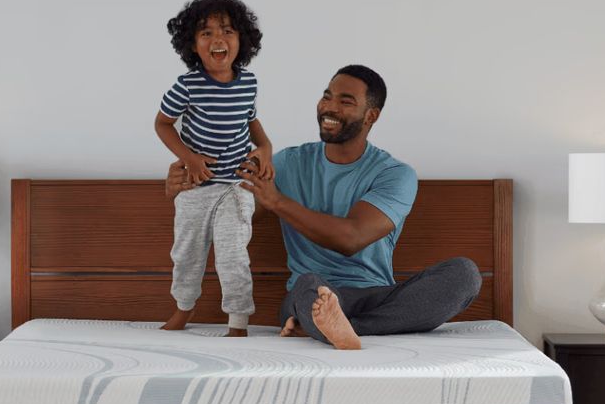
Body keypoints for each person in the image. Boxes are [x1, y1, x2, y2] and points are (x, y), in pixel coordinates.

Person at [166, 65, 481, 350]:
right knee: (309, 287)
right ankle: (333, 324)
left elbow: (351, 238)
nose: (330, 107)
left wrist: (277, 201)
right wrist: (185, 186)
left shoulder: (395, 175)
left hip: (376, 296)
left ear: (371, 115)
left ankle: (340, 328)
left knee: (465, 274)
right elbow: (232, 210)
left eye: (345, 101)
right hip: (312, 293)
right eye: (326, 97)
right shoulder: (287, 164)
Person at [155, 0, 274, 337]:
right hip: (195, 189)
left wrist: (265, 146)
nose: (218, 39)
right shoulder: (187, 86)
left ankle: (238, 321)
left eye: (227, 31)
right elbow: (162, 124)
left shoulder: (248, 83)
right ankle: (183, 309)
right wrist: (189, 158)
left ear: (242, 40)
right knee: (187, 255)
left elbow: (251, 121)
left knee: (233, 256)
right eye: (205, 33)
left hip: (235, 188)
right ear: (192, 44)